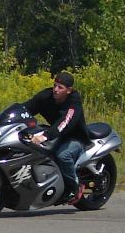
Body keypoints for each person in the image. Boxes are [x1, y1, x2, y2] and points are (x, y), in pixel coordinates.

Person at [22, 70, 90, 204]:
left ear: (69, 90)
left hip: (75, 137)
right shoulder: (46, 96)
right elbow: (26, 108)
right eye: (55, 85)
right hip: (57, 135)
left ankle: (74, 187)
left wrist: (45, 136)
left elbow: (65, 122)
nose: (55, 90)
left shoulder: (74, 101)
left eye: (60, 87)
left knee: (63, 156)